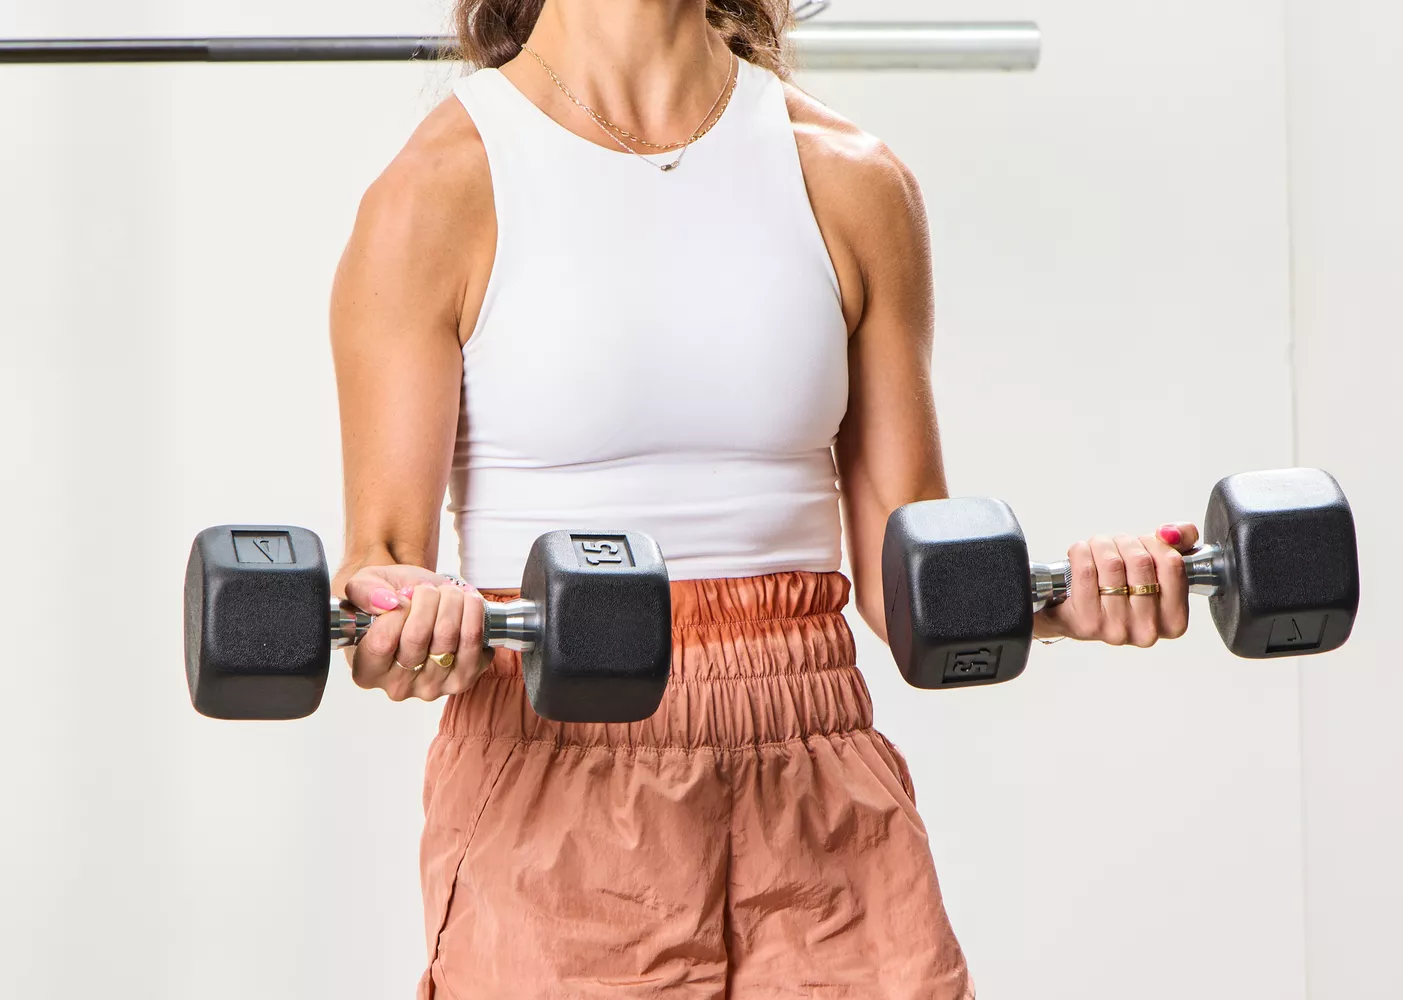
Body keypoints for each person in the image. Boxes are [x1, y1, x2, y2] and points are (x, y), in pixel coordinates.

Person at [328, 1, 1198, 996]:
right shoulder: (438, 188)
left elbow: (906, 571)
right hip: (555, 754)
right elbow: (379, 563)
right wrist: (413, 613)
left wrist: (1066, 597)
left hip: (815, 761)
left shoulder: (850, 180)